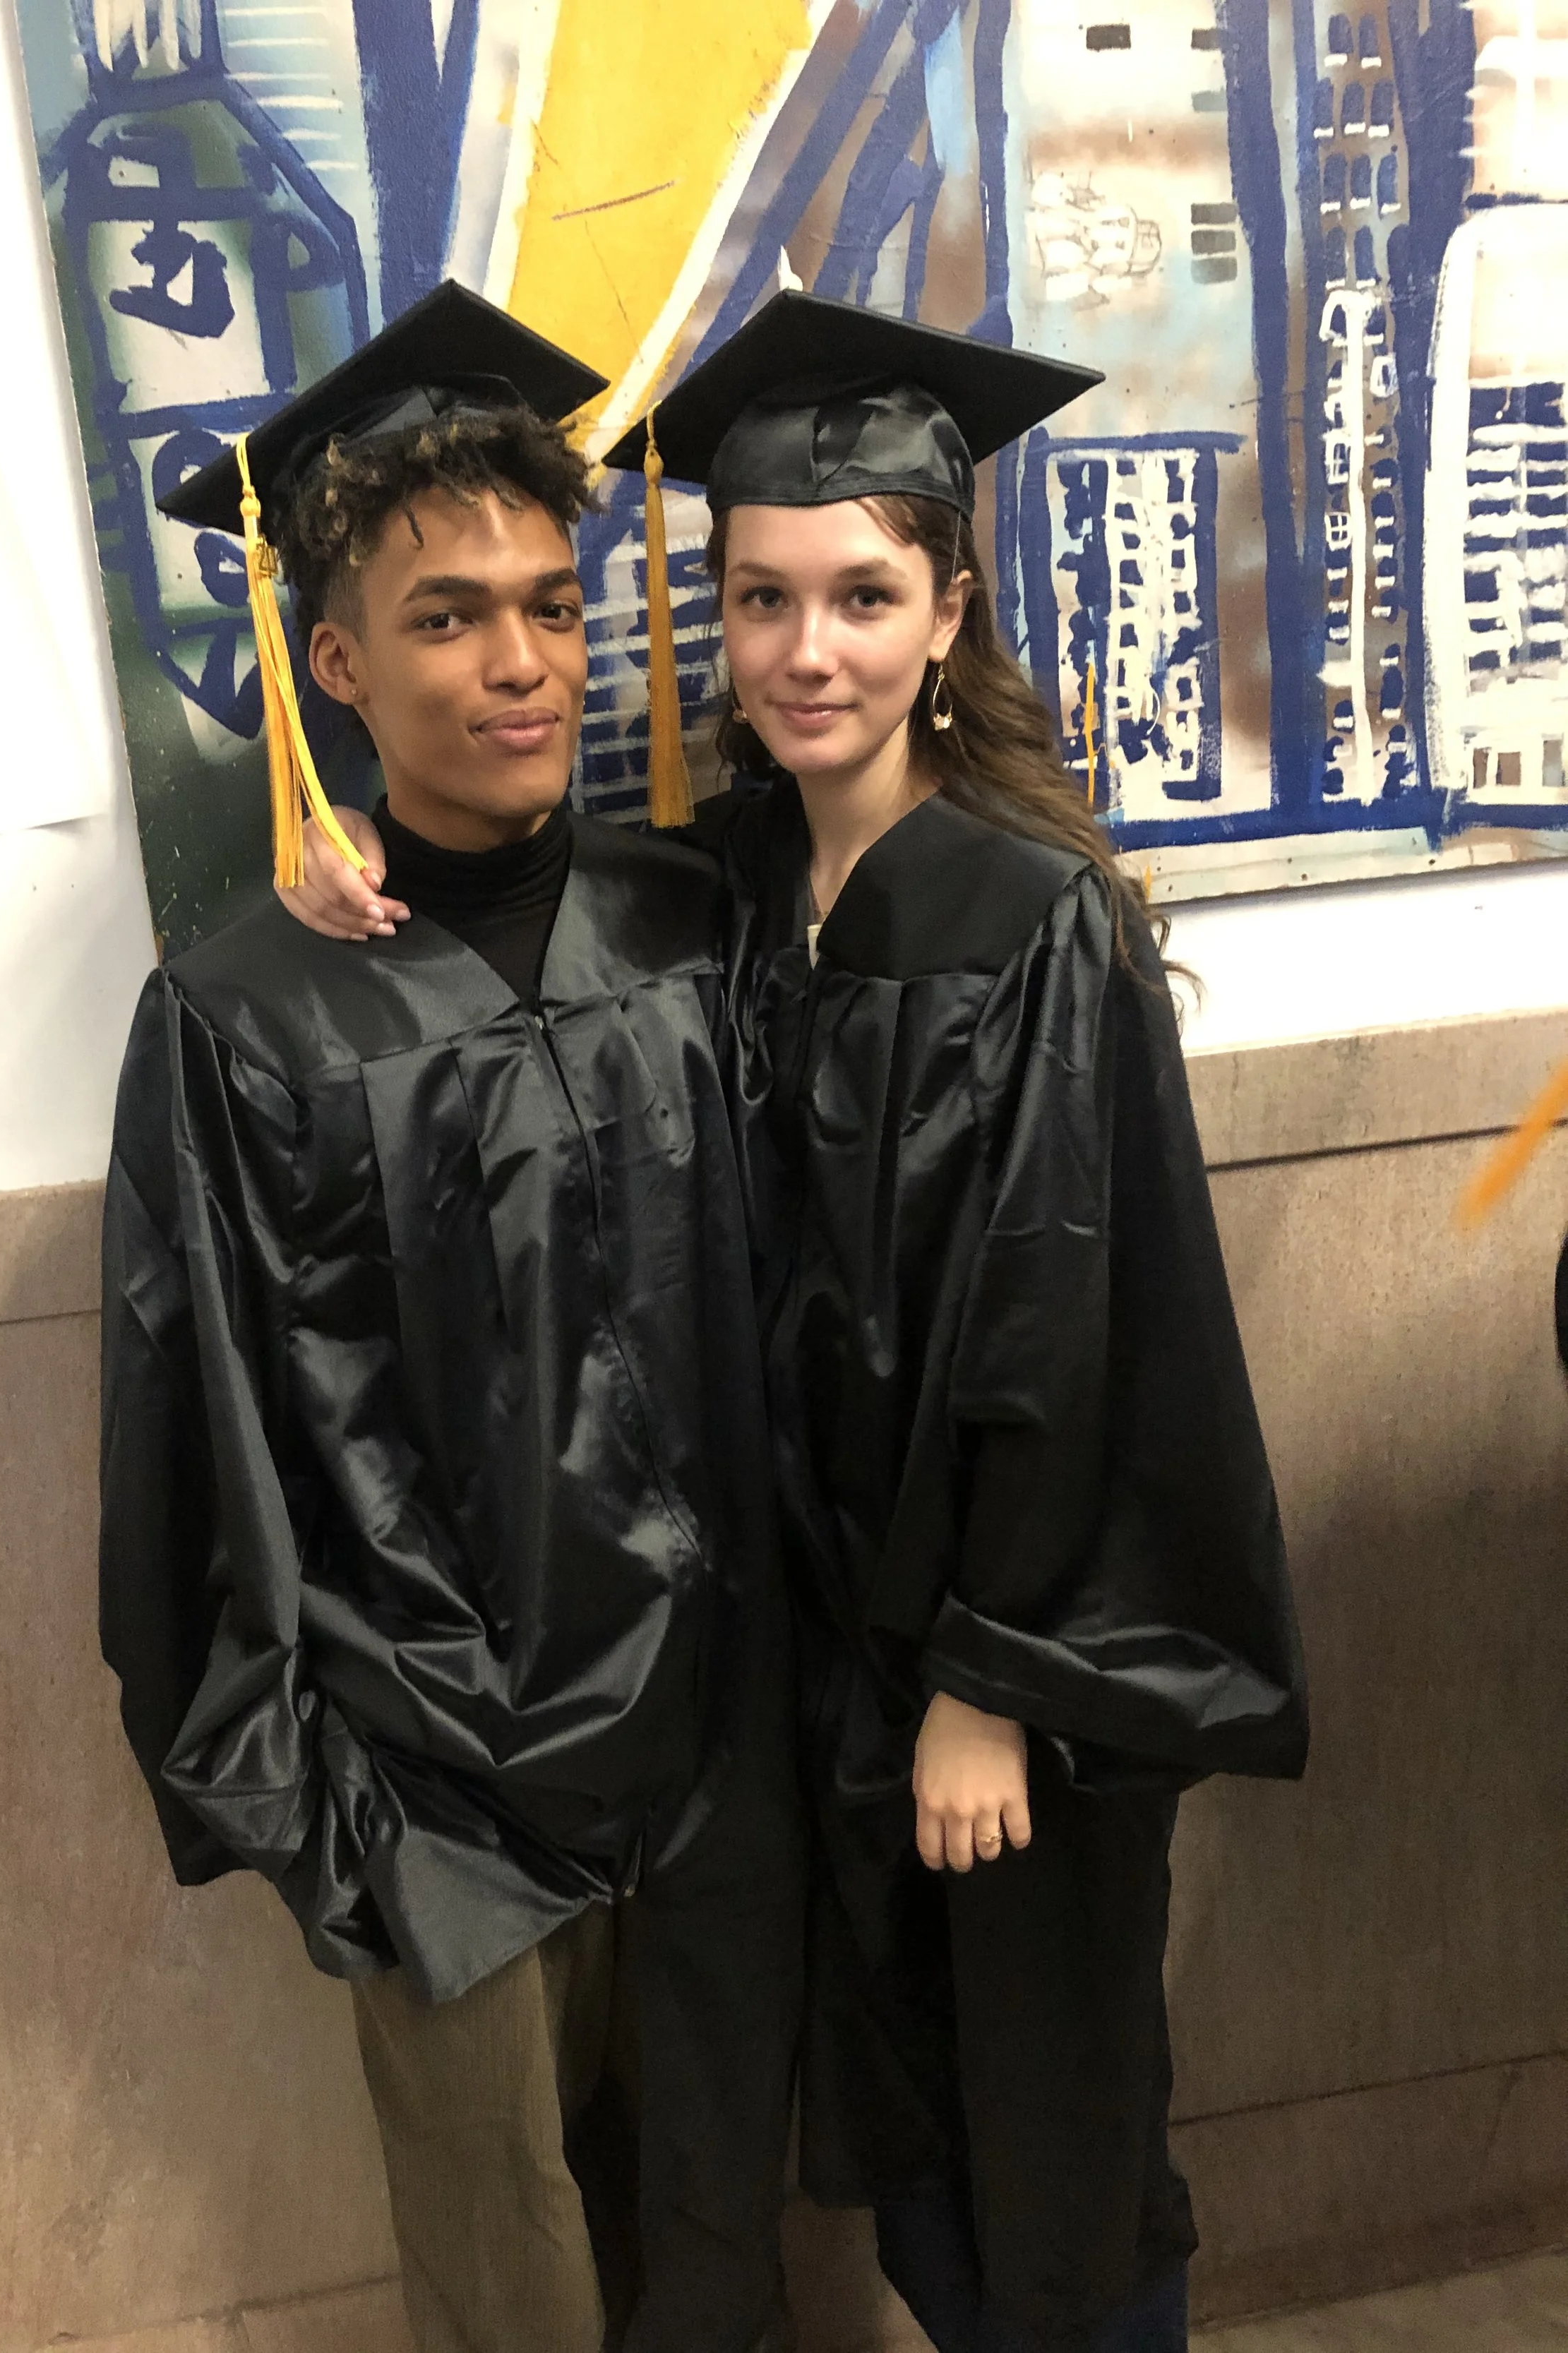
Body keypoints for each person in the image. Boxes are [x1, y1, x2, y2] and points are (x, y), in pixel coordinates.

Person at [281, 290, 1309, 2352]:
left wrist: (988, 1677)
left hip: (996, 1679)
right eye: (760, 599)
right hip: (828, 1670)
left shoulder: (1025, 925)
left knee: (1054, 2149)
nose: (804, 649)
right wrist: (322, 863)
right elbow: (498, 915)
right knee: (918, 2141)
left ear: (945, 612)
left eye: (858, 594)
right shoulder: (728, 892)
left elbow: (1065, 1335)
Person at [99, 280, 802, 2353]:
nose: (518, 660)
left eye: (550, 607)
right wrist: (304, 1798)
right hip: (437, 1780)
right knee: (517, 2288)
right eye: (442, 617)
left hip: (714, 1733)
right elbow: (190, 1436)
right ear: (331, 662)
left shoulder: (700, 924)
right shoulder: (242, 1020)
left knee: (714, 2255)